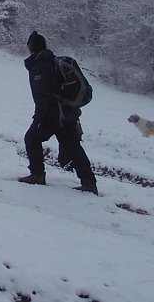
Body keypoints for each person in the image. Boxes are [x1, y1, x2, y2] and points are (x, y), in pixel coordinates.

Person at [18, 31, 98, 194]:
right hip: (67, 113)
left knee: (31, 138)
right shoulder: (51, 62)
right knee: (73, 147)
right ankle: (89, 182)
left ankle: (37, 174)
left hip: (53, 114)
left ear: (31, 48)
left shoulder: (40, 66)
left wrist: (39, 117)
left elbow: (43, 95)